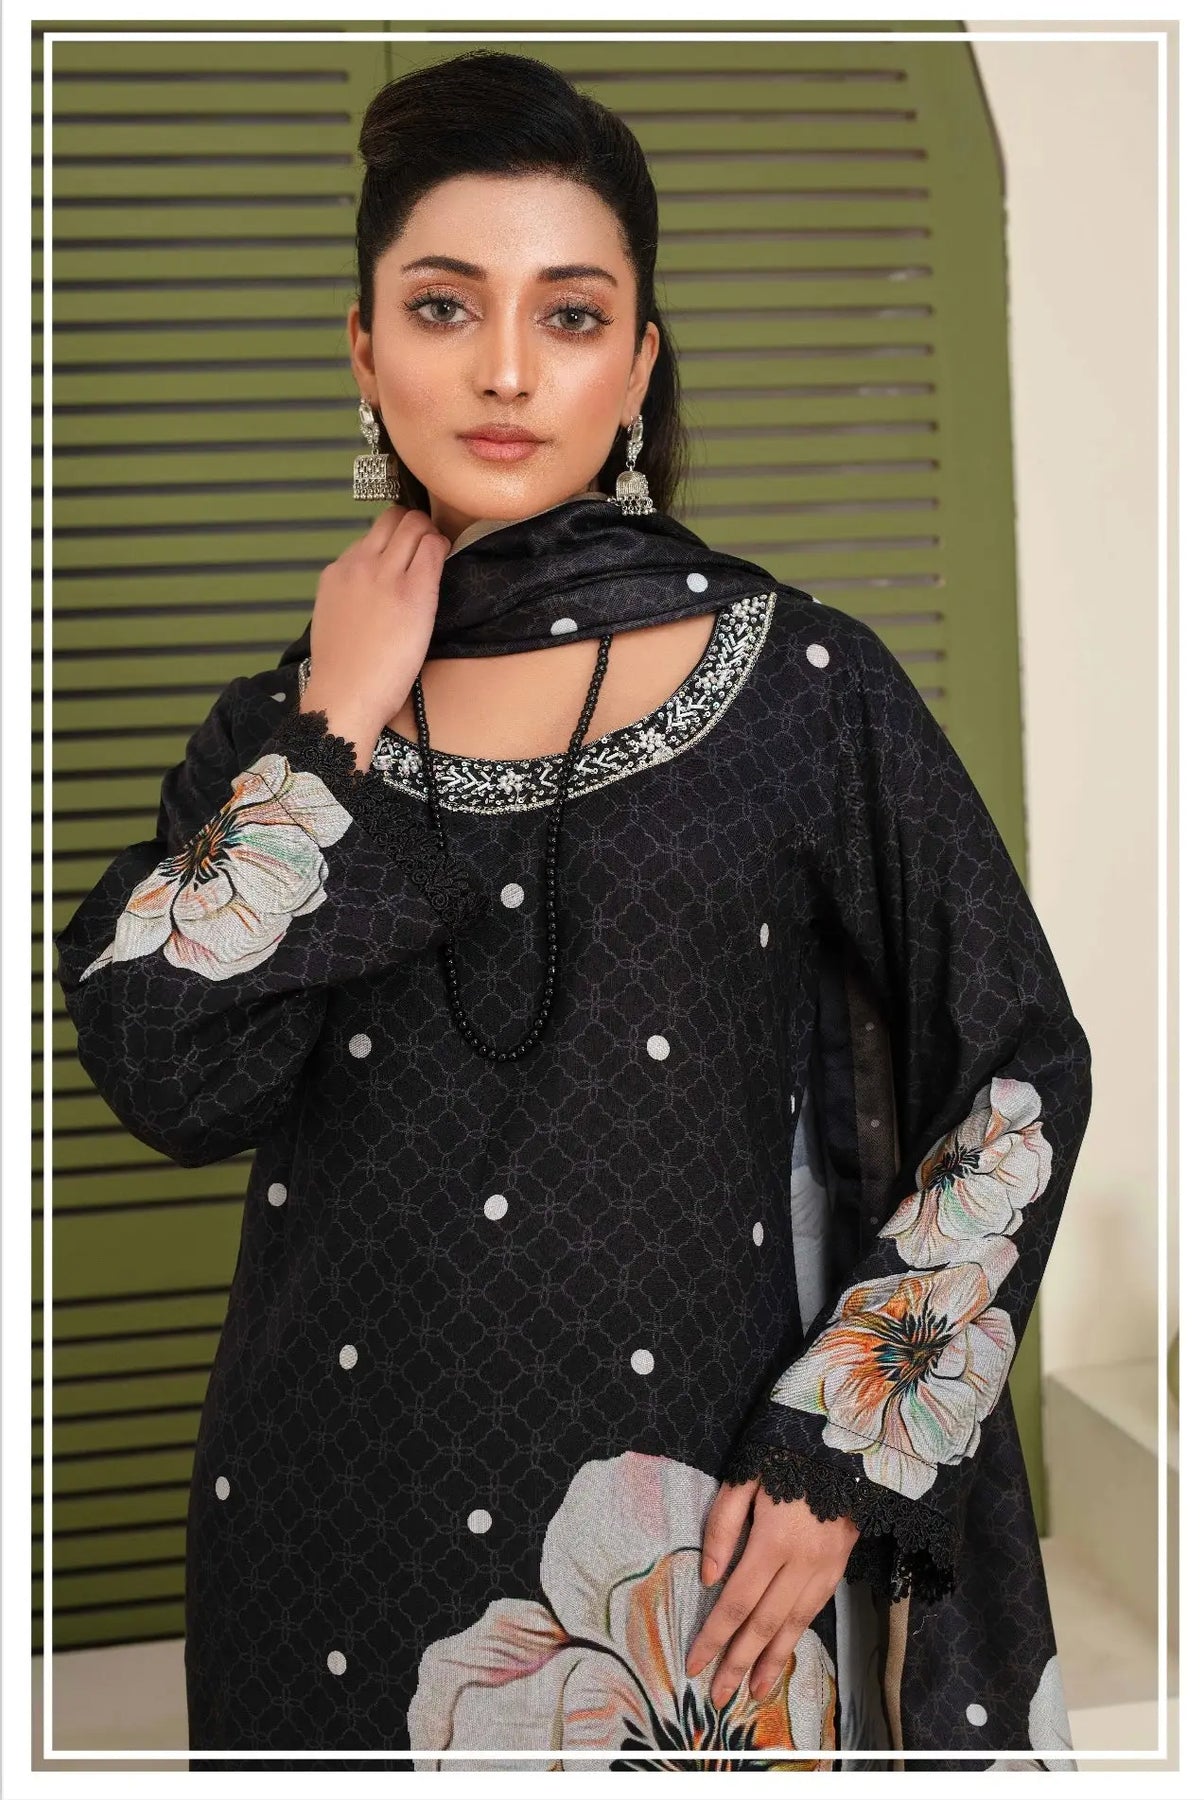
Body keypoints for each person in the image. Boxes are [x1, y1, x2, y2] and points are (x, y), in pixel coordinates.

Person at [53, 49, 1092, 1773]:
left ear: (639, 364)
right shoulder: (282, 736)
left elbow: (1019, 1071)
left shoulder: (802, 686)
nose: (508, 369)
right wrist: (336, 727)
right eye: (444, 306)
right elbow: (168, 1071)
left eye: (573, 313)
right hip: (319, 1523)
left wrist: (847, 1452)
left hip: (693, 1557)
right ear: (363, 351)